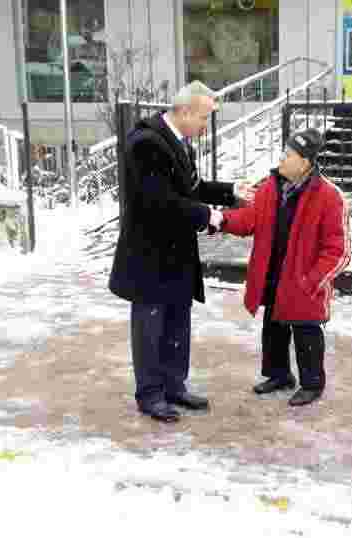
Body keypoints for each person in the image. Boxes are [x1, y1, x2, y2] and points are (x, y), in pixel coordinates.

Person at [108, 81, 254, 423]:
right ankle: (150, 394)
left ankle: (174, 386)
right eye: (204, 118)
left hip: (176, 252)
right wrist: (210, 216)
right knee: (150, 326)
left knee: (177, 320)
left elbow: (191, 188)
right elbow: (161, 201)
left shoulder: (177, 142)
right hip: (149, 254)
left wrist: (231, 191)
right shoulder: (146, 143)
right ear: (184, 111)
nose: (206, 126)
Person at [217, 128, 351, 406]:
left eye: (288, 155)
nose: (282, 159)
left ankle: (312, 384)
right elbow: (248, 219)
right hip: (273, 273)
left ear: (305, 162)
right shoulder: (270, 187)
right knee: (273, 327)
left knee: (306, 331)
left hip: (304, 281)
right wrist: (220, 220)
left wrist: (311, 281)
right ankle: (279, 375)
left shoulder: (329, 197)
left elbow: (338, 251)